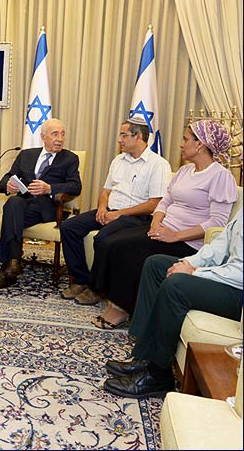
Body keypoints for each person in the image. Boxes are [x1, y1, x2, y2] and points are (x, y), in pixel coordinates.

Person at [86, 119, 238, 329]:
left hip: (188, 242)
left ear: (200, 144)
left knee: (126, 249)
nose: (181, 144)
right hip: (162, 231)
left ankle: (121, 309)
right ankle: (116, 301)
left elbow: (217, 224)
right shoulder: (185, 171)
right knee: (111, 242)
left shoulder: (221, 176)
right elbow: (164, 201)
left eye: (185, 139)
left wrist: (174, 235)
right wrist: (155, 224)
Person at [103, 208, 242, 398]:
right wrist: (186, 263)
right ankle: (145, 355)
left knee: (176, 285)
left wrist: (194, 273)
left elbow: (240, 273)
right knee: (156, 265)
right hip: (228, 279)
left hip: (238, 294)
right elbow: (219, 247)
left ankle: (158, 375)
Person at [60, 118, 171, 301]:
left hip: (136, 217)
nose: (119, 139)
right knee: (69, 227)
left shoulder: (158, 164)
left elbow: (154, 204)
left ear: (139, 137)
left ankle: (97, 288)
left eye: (123, 135)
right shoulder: (118, 160)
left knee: (103, 238)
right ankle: (81, 279)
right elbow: (106, 191)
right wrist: (102, 209)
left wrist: (117, 214)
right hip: (110, 210)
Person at [0, 118, 82, 289]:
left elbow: (76, 186)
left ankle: (8, 266)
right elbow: (7, 177)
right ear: (43, 137)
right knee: (14, 203)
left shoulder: (69, 159)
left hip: (47, 207)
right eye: (55, 134)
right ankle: (13, 262)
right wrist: (7, 184)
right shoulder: (26, 155)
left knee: (11, 211)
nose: (60, 138)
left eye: (62, 134)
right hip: (23, 203)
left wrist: (49, 188)